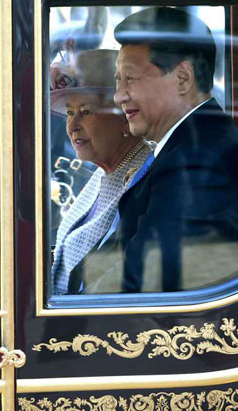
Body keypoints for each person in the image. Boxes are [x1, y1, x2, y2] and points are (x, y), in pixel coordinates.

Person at [112, 6, 238, 293]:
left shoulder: (200, 162)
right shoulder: (190, 144)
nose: (118, 95)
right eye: (118, 80)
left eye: (130, 78)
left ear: (183, 78)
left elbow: (142, 283)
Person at [49, 49, 153, 295]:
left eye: (86, 112)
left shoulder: (145, 175)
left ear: (124, 115)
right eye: (70, 112)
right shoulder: (101, 174)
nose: (72, 126)